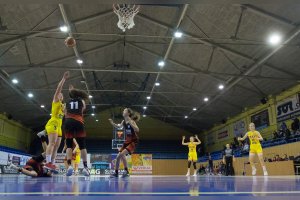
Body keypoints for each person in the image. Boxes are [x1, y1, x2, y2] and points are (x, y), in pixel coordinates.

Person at [44, 71, 69, 170]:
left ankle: (52, 163)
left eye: (61, 95)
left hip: (59, 126)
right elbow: (59, 89)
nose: (60, 94)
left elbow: (66, 116)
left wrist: (65, 111)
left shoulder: (63, 106)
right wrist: (64, 79)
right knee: (52, 143)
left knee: (57, 146)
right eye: (59, 94)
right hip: (53, 123)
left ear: (62, 98)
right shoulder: (55, 101)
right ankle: (48, 162)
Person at [64, 84, 90, 176]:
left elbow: (65, 112)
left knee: (69, 145)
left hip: (68, 122)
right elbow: (83, 109)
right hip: (78, 121)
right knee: (82, 146)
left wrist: (71, 90)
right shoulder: (81, 101)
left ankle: (70, 166)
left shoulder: (67, 102)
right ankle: (86, 167)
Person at [109, 108, 140, 178]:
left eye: (124, 110)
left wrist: (131, 123)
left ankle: (125, 172)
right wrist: (112, 123)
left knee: (121, 155)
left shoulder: (131, 121)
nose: (123, 111)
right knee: (118, 156)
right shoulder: (123, 121)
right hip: (127, 140)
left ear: (128, 113)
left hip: (133, 140)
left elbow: (137, 130)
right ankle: (118, 173)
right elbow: (119, 127)